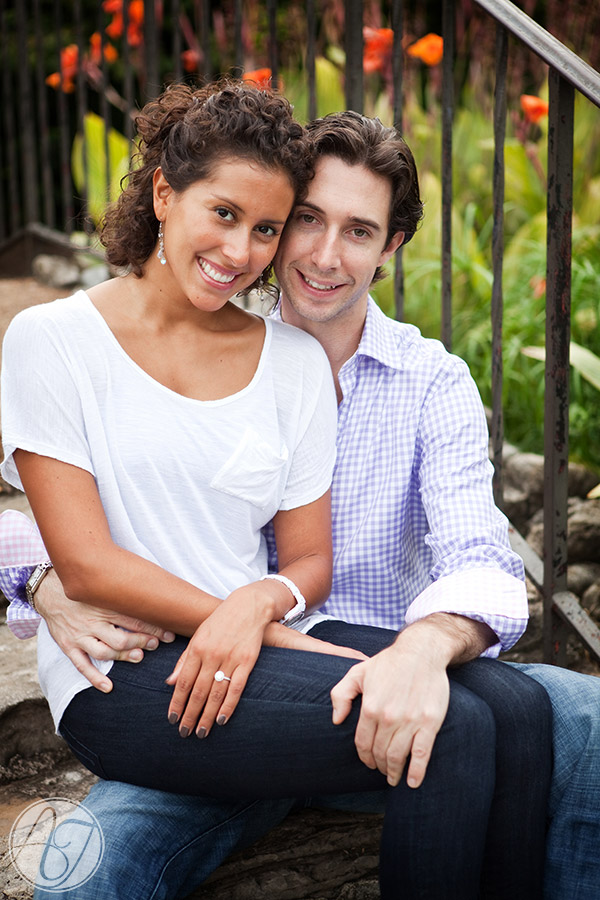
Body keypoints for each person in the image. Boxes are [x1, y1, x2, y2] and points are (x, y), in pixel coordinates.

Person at [0, 98, 553, 898]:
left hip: (258, 647)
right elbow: (84, 563)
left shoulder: (290, 359)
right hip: (126, 669)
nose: (241, 251)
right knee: (454, 727)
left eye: (264, 227)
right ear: (164, 193)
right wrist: (48, 583)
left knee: (520, 706)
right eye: (225, 214)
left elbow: (306, 560)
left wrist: (258, 609)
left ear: (389, 246)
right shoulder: (51, 340)